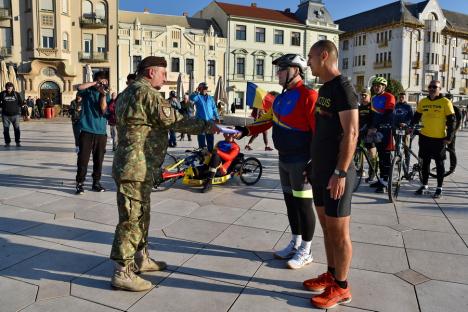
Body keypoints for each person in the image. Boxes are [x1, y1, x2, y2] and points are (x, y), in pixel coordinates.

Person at [110, 56, 218, 292]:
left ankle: (141, 258)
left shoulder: (127, 92)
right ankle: (122, 272)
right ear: (150, 72)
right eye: (162, 73)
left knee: (141, 214)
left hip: (138, 166)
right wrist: (210, 126)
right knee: (131, 219)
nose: (165, 78)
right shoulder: (147, 94)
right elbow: (176, 122)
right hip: (135, 167)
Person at [235, 53, 317, 270]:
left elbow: (320, 133)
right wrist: (243, 130)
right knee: (291, 203)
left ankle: (306, 250)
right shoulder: (280, 98)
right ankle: (296, 242)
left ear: (295, 71)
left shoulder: (309, 96)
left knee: (304, 205)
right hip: (284, 159)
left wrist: (314, 161)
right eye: (278, 69)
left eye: (281, 69)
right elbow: (266, 121)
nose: (277, 73)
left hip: (302, 160)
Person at [304, 40, 358, 310]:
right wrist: (314, 164)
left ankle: (342, 287)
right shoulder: (324, 89)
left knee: (339, 233)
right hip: (321, 170)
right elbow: (326, 131)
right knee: (326, 228)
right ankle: (331, 273)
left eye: (311, 56)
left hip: (338, 173)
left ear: (324, 56)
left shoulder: (343, 88)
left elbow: (352, 133)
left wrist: (340, 171)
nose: (308, 61)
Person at [412, 81, 455, 198]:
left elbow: (452, 121)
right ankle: (424, 185)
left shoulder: (445, 102)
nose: (431, 88)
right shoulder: (423, 101)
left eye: (434, 87)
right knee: (424, 163)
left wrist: (449, 137)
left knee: (439, 163)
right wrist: (410, 127)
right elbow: (416, 116)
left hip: (439, 138)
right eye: (430, 86)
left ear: (440, 89)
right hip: (424, 136)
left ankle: (439, 188)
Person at [74, 71, 110, 195]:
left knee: (98, 160)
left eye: (104, 81)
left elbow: (103, 110)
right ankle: (80, 183)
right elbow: (78, 87)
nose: (102, 84)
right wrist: (95, 83)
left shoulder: (106, 95)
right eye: (100, 81)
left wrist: (103, 95)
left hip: (101, 132)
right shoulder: (87, 92)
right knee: (83, 160)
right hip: (86, 131)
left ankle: (96, 183)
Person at [367, 77, 395, 193]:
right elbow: (372, 115)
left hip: (386, 130)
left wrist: (376, 126)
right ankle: (382, 179)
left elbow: (388, 113)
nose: (376, 87)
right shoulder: (373, 98)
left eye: (379, 86)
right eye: (375, 86)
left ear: (384, 87)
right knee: (379, 155)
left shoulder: (389, 97)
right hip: (376, 130)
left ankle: (385, 182)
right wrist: (369, 127)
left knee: (385, 156)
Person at [190, 82, 220, 152]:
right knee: (201, 137)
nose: (204, 90)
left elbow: (214, 108)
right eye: (203, 88)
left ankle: (210, 152)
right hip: (200, 121)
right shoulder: (197, 97)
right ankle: (202, 152)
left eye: (206, 88)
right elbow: (191, 98)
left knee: (210, 137)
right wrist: (195, 92)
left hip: (210, 121)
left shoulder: (210, 98)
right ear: (200, 89)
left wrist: (217, 117)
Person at [358, 90, 377, 181]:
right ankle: (360, 170)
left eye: (365, 95)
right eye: (362, 95)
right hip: (360, 131)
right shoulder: (359, 107)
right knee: (359, 151)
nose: (363, 97)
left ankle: (372, 173)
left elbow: (375, 119)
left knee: (371, 153)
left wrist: (371, 128)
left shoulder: (372, 107)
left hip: (370, 132)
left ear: (370, 97)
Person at [393, 92, 414, 170]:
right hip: (397, 129)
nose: (401, 98)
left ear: (405, 98)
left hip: (405, 129)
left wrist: (406, 124)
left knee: (406, 147)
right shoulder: (395, 106)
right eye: (400, 97)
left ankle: (407, 166)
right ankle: (397, 161)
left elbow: (411, 118)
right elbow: (393, 116)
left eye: (403, 97)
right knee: (397, 145)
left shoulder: (408, 107)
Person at [0, 82, 23, 147]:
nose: (9, 88)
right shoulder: (2, 94)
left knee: (17, 129)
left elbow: (20, 103)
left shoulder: (16, 94)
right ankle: (7, 143)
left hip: (15, 115)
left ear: (12, 87)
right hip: (5, 115)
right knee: (6, 130)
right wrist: (3, 106)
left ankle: (17, 142)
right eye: (8, 86)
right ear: (6, 87)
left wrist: (16, 107)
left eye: (10, 86)